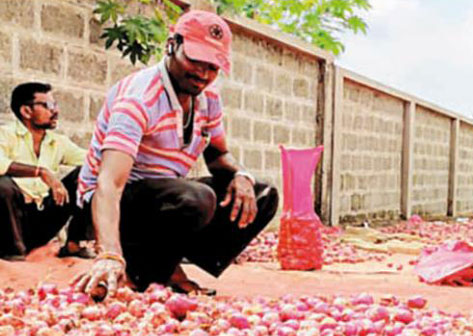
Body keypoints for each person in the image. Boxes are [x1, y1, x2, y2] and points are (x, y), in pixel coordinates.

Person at [72, 10, 278, 298]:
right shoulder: (139, 98)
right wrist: (109, 253)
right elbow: (109, 184)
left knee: (262, 194)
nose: (202, 74)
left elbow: (219, 156)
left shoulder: (209, 99)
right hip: (117, 204)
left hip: (162, 201)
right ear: (172, 45)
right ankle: (142, 271)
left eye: (213, 66)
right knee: (195, 199)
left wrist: (240, 175)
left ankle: (163, 265)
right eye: (194, 60)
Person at [0, 82, 92, 261]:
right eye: (48, 106)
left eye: (55, 105)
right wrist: (40, 172)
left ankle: (75, 243)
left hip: (42, 219)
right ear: (26, 111)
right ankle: (14, 254)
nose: (55, 111)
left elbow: (91, 159)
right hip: (10, 224)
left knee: (88, 173)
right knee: (2, 185)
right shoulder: (5, 134)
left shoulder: (58, 142)